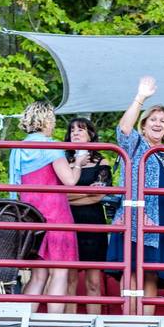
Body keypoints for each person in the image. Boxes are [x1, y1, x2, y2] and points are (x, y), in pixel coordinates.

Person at [105, 76, 164, 316]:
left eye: (163, 120)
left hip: (162, 224)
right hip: (136, 218)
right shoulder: (136, 144)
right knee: (130, 270)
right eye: (153, 119)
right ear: (144, 123)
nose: (158, 123)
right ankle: (128, 321)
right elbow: (124, 129)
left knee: (151, 272)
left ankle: (144, 325)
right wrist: (140, 97)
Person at [9, 101, 82, 314]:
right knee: (59, 273)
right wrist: (77, 162)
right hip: (56, 216)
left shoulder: (18, 149)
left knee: (38, 274)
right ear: (47, 120)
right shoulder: (53, 148)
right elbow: (69, 181)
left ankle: (25, 320)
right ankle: (54, 325)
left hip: (31, 216)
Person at [63, 117, 112, 315]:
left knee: (93, 281)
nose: (75, 132)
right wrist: (87, 193)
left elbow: (99, 196)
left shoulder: (102, 161)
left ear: (91, 134)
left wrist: (73, 195)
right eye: (72, 129)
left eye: (81, 129)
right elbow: (60, 196)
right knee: (69, 280)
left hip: (93, 224)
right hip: (67, 222)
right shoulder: (63, 161)